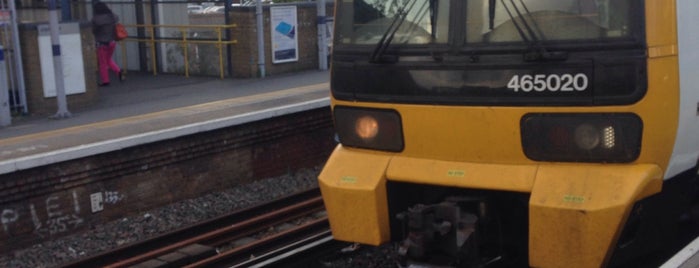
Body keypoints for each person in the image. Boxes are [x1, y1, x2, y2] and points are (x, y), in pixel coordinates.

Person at [91, 2, 125, 86]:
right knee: (108, 60)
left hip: (101, 43)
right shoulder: (112, 16)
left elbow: (93, 30)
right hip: (112, 42)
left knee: (102, 62)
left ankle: (106, 81)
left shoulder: (96, 19)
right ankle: (118, 71)